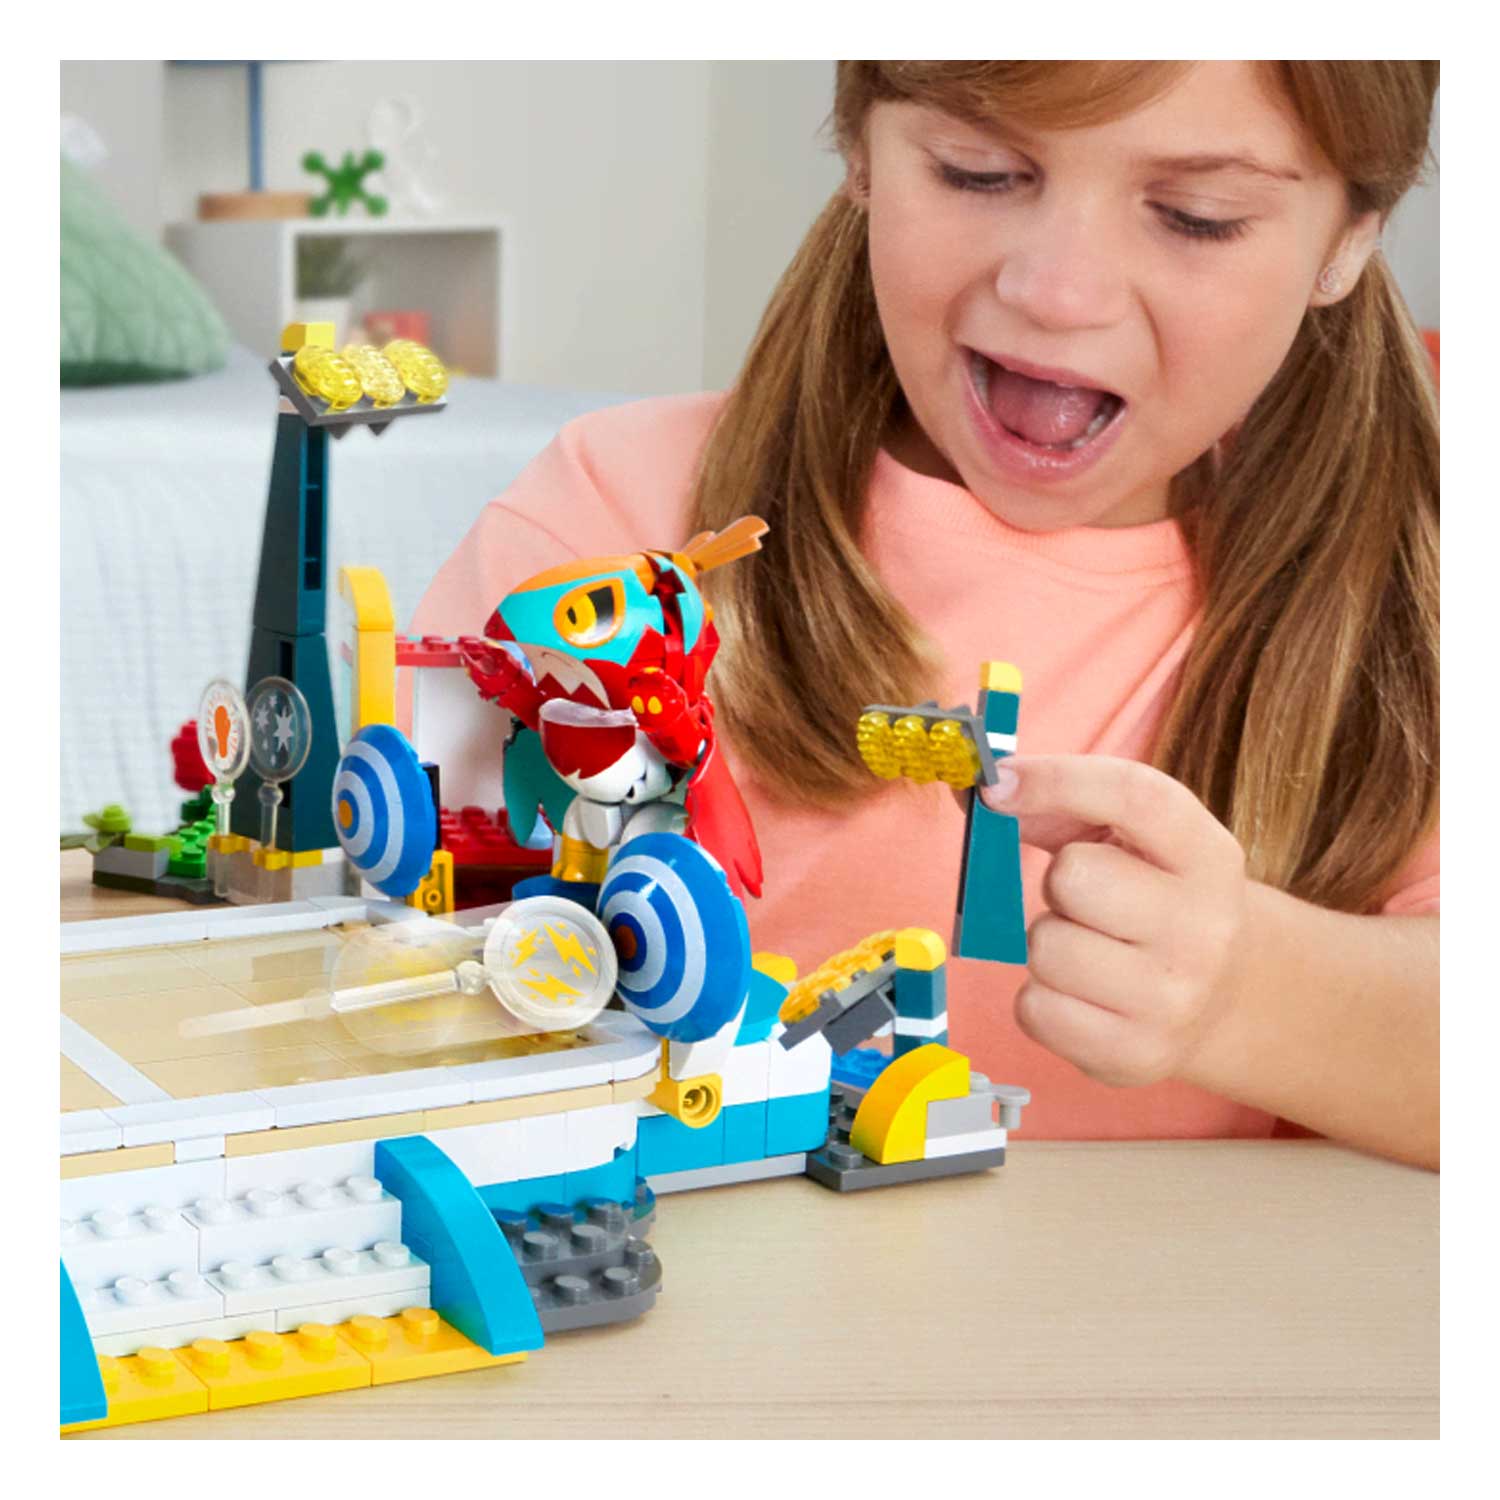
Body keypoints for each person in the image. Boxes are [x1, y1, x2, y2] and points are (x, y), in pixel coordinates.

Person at [413, 61, 1439, 1168]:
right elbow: (402, 974)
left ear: (1350, 238)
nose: (1058, 291)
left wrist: (1244, 990)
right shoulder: (609, 537)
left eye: (1198, 216)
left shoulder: (1419, 616)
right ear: (860, 147)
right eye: (979, 172)